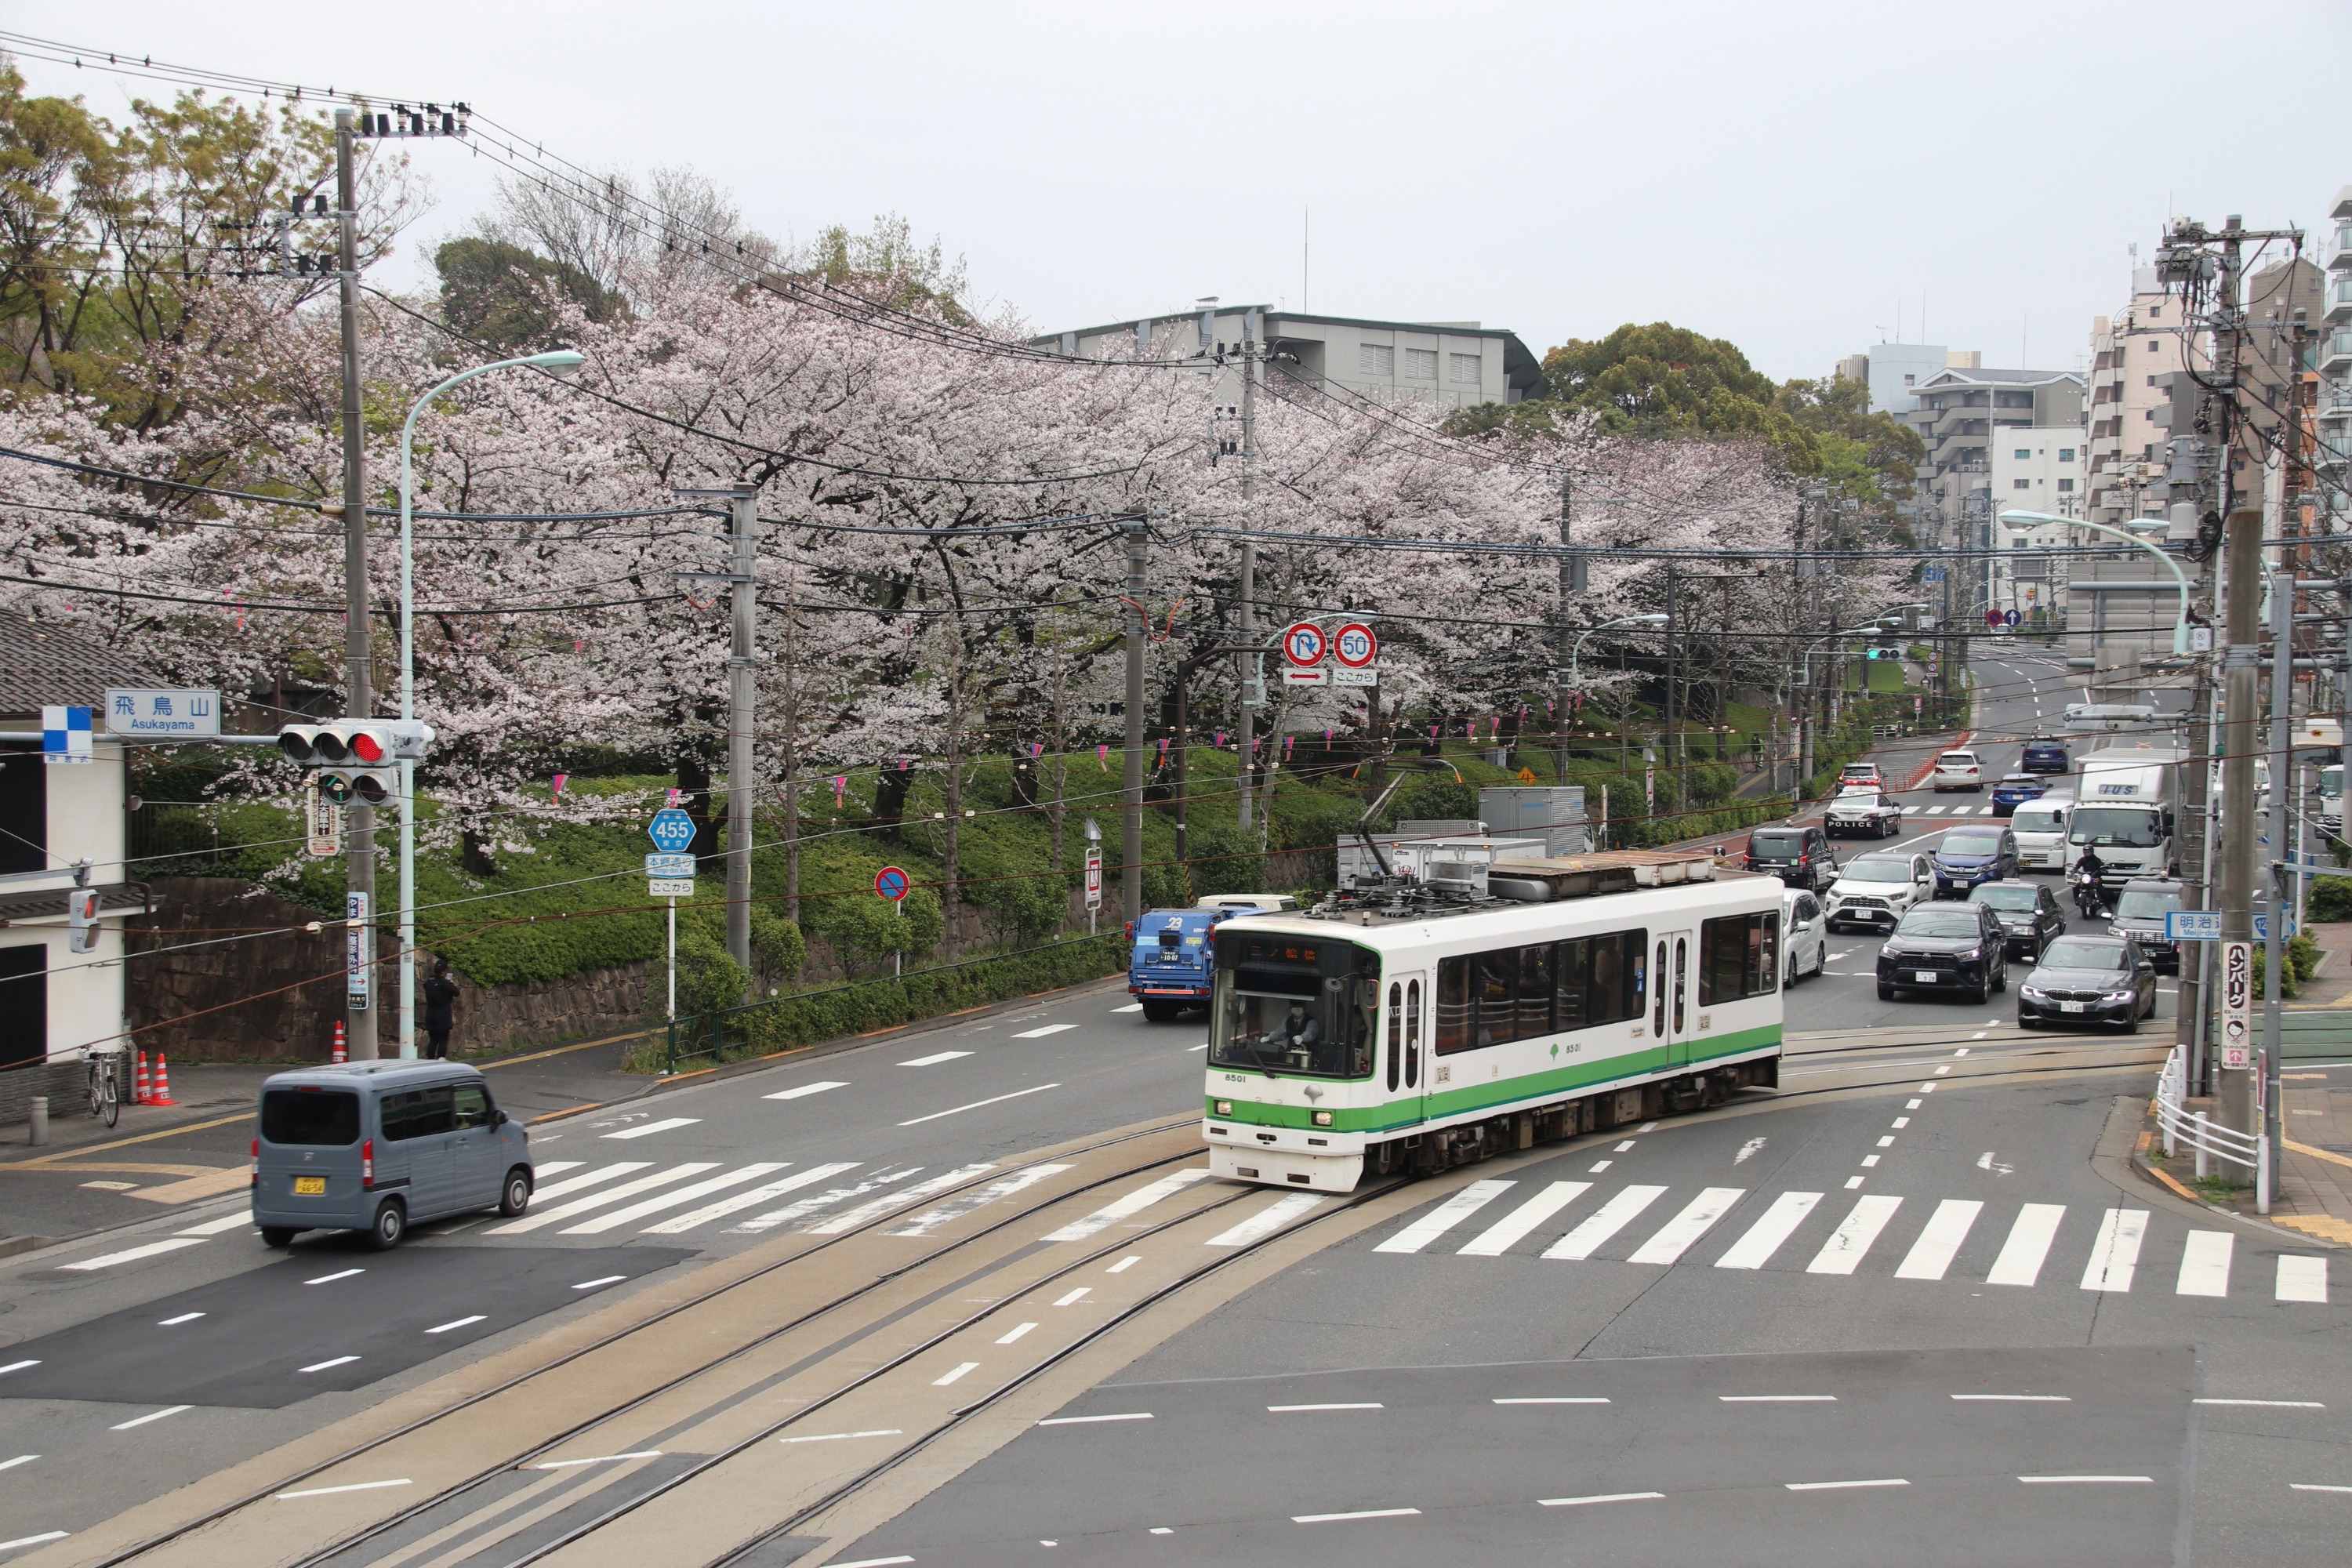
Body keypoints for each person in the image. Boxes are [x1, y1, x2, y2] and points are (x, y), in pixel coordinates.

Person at [422, 960, 459, 1059]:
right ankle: (440, 1060)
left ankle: (430, 1061)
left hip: (431, 1014)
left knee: (433, 1040)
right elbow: (456, 993)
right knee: (443, 1040)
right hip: (443, 1014)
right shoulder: (446, 983)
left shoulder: (429, 982)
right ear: (445, 971)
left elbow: (426, 987)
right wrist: (450, 983)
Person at [2071, 846, 2107, 918]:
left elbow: (2101, 866)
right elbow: (2077, 866)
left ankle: (2105, 903)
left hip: (2095, 877)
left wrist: (2102, 870)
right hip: (2086, 877)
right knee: (2077, 886)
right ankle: (2077, 900)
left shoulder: (2096, 860)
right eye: (2086, 852)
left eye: (2088, 852)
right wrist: (2074, 870)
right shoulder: (2083, 860)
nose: (2087, 854)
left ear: (2092, 852)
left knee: (2100, 888)